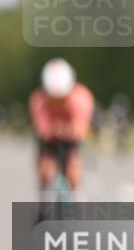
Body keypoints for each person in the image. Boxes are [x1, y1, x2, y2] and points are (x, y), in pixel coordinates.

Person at [28, 58, 95, 212]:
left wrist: (67, 131)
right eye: (54, 98)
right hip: (49, 141)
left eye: (62, 98)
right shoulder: (38, 100)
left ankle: (80, 208)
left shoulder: (82, 98)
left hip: (71, 140)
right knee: (45, 170)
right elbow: (42, 129)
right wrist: (52, 131)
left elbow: (81, 128)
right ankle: (43, 206)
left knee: (74, 172)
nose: (58, 102)